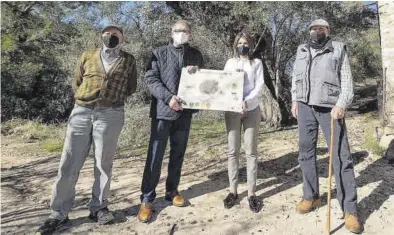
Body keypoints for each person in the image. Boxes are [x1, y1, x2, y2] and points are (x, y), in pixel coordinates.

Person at [35, 25, 137, 234]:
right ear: (101, 36)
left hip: (110, 114)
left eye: (115, 34)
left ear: (123, 38)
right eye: (107, 34)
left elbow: (131, 87)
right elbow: (78, 81)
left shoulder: (129, 60)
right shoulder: (88, 55)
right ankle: (58, 213)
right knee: (69, 163)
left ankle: (98, 207)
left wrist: (111, 100)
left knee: (103, 163)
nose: (111, 37)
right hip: (82, 112)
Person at [291, 19, 362, 234]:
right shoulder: (301, 49)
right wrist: (295, 99)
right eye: (313, 28)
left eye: (321, 28)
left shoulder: (338, 48)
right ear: (309, 31)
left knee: (341, 157)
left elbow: (347, 81)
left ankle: (349, 210)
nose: (317, 31)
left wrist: (341, 104)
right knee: (305, 153)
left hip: (330, 108)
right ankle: (310, 197)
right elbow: (295, 77)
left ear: (328, 31)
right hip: (304, 106)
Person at [137, 20, 203, 223]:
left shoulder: (196, 54)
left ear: (190, 34)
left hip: (184, 113)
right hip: (162, 112)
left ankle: (172, 190)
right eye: (178, 30)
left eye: (185, 31)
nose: (181, 33)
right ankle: (147, 199)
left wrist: (197, 74)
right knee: (155, 156)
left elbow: (202, 82)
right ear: (171, 32)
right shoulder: (158, 53)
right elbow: (151, 79)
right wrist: (168, 98)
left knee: (178, 154)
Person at [222, 32, 265, 213]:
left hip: (251, 109)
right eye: (239, 43)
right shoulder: (230, 63)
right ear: (235, 44)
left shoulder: (256, 63)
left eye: (245, 43)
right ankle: (233, 191)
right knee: (233, 151)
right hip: (232, 111)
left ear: (251, 44)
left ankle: (252, 193)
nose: (242, 46)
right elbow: (222, 82)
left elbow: (259, 85)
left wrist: (246, 101)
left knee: (251, 152)